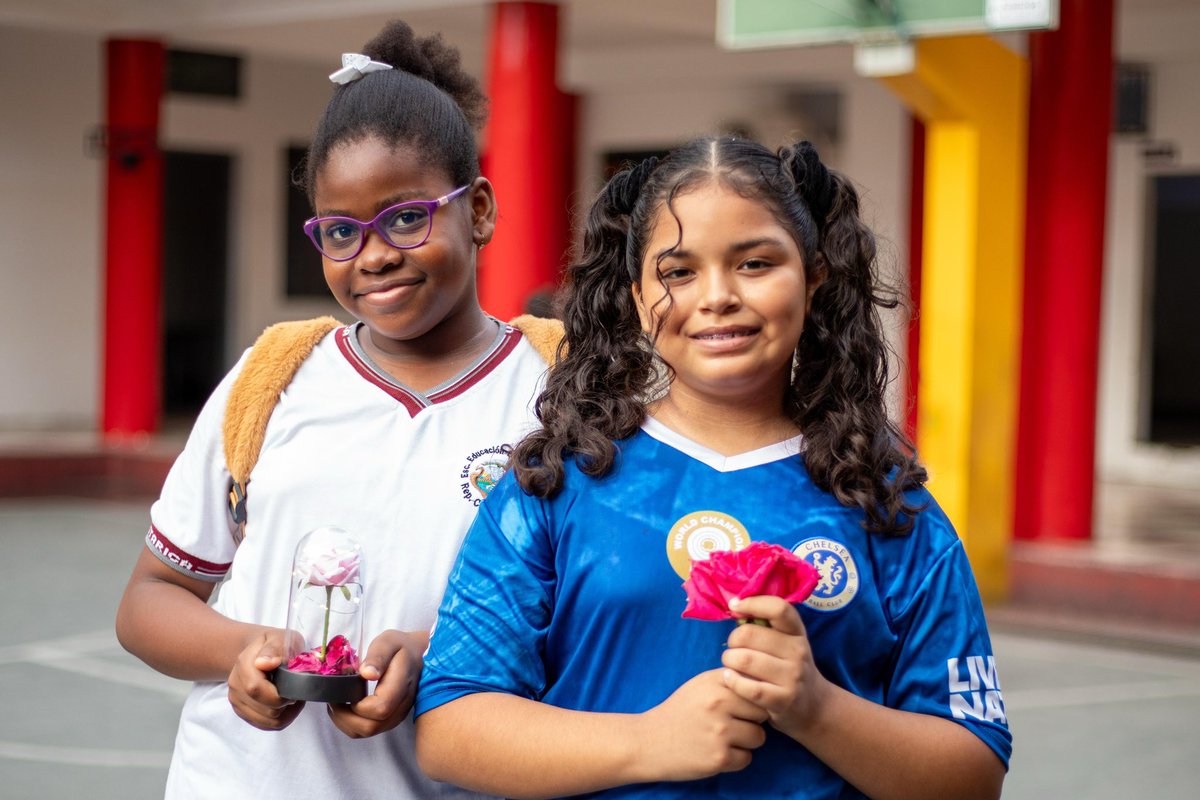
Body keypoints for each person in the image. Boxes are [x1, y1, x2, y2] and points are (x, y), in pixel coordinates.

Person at [413, 136, 1011, 799]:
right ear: (639, 296)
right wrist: (646, 743)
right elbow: (451, 728)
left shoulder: (888, 505)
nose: (718, 295)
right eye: (678, 272)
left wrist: (816, 707)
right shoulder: (554, 484)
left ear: (814, 276)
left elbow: (973, 775)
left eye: (755, 263)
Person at [115, 20, 552, 799]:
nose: (374, 255)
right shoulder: (276, 378)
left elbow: (593, 623)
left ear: (478, 209)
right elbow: (150, 600)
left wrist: (434, 654)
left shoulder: (557, 393)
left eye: (408, 217)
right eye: (341, 232)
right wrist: (247, 652)